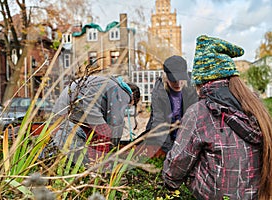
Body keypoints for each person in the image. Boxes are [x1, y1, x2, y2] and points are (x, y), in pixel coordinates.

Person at [163, 35, 272, 199]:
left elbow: (176, 167)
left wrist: (168, 182)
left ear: (201, 81)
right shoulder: (255, 106)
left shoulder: (200, 112)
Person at [51, 75, 140, 162]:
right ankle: (98, 165)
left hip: (68, 100)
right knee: (105, 132)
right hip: (81, 102)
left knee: (93, 132)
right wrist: (114, 146)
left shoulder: (114, 85)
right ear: (133, 98)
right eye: (130, 105)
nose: (128, 107)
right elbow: (116, 122)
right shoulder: (124, 94)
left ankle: (90, 161)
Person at [144, 55, 197, 156]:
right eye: (174, 80)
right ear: (166, 77)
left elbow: (193, 120)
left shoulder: (191, 88)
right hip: (163, 132)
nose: (178, 83)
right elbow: (159, 123)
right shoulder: (159, 92)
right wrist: (170, 151)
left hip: (184, 131)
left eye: (181, 79)